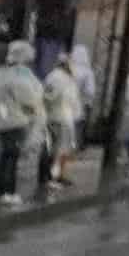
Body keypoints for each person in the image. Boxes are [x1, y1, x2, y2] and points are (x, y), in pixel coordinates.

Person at [0, 42, 42, 203]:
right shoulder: (18, 76)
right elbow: (29, 100)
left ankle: (1, 191)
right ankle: (7, 192)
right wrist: (34, 113)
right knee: (11, 157)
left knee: (3, 155)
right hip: (14, 122)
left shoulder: (1, 73)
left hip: (1, 121)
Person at [39, 50, 83, 188]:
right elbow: (51, 96)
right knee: (58, 149)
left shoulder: (61, 77)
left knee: (55, 148)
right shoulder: (58, 78)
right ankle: (51, 177)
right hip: (61, 117)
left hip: (60, 117)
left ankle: (52, 176)